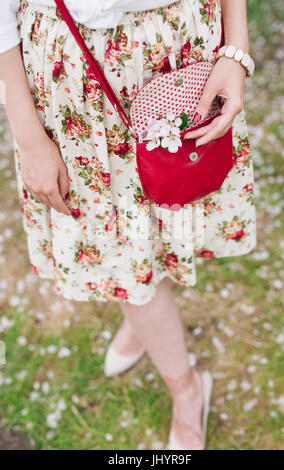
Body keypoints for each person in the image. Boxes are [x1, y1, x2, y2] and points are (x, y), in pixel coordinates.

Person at [0, 0, 257, 450]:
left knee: (173, 203)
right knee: (121, 258)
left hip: (175, 47)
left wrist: (236, 49)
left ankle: (149, 321)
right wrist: (27, 133)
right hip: (73, 66)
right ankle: (185, 386)